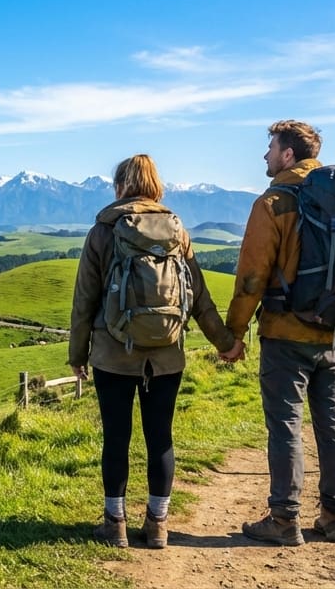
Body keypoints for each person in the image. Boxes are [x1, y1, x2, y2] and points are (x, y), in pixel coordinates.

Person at [69, 154, 235, 549]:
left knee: (116, 437)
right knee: (160, 437)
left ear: (120, 186)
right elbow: (198, 296)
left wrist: (77, 354)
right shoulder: (178, 231)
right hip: (166, 354)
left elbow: (84, 300)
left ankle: (116, 524)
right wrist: (226, 343)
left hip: (114, 352)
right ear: (156, 184)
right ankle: (158, 525)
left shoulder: (104, 231)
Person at [220, 120, 335, 546]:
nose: (265, 156)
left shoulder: (275, 202)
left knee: (285, 426)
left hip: (285, 333)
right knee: (332, 423)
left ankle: (284, 518)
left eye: (271, 148)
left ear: (288, 154)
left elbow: (252, 276)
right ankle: (334, 517)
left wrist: (233, 333)